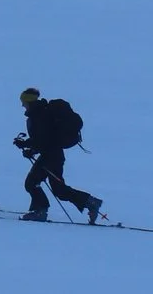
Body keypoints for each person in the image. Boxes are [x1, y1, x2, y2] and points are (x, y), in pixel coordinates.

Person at [13, 87, 101, 223]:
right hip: (51, 155)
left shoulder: (39, 115)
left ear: (29, 101)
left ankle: (40, 211)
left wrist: (28, 146)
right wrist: (28, 146)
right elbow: (44, 139)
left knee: (38, 184)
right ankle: (89, 202)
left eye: (23, 102)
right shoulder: (40, 113)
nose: (22, 105)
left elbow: (44, 140)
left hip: (52, 157)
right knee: (49, 187)